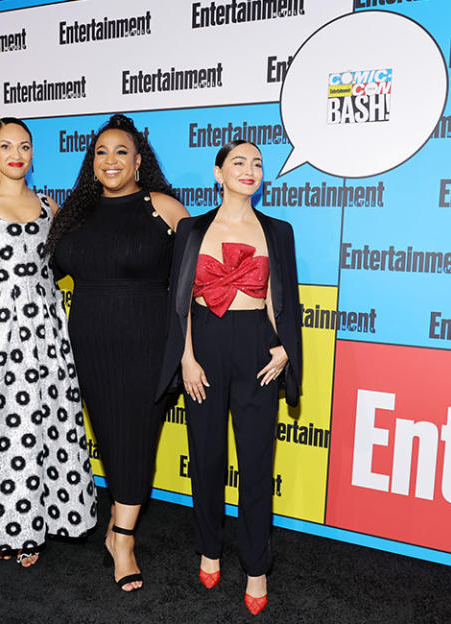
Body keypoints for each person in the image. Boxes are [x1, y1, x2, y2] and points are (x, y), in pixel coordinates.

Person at [0, 117, 96, 567]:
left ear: (32, 152)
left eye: (24, 145)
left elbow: (61, 264)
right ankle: (1, 524)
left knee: (41, 426)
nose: (16, 153)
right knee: (1, 426)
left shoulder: (48, 205)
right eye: (6, 145)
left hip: (44, 328)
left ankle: (32, 526)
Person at [155, 140, 302, 615]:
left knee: (257, 463)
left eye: (257, 164)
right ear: (218, 173)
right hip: (206, 349)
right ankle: (210, 548)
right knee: (207, 457)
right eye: (239, 162)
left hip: (258, 346)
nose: (250, 169)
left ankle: (257, 567)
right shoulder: (192, 230)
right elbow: (180, 301)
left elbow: (285, 301)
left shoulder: (278, 231)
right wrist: (186, 358)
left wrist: (284, 350)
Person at [47, 114, 188, 591]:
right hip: (89, 342)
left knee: (138, 439)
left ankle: (122, 539)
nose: (111, 160)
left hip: (150, 340)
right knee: (110, 436)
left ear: (139, 161)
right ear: (92, 162)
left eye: (121, 152)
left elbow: (197, 279)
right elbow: (41, 272)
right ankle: (118, 525)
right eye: (101, 152)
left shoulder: (165, 208)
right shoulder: (74, 213)